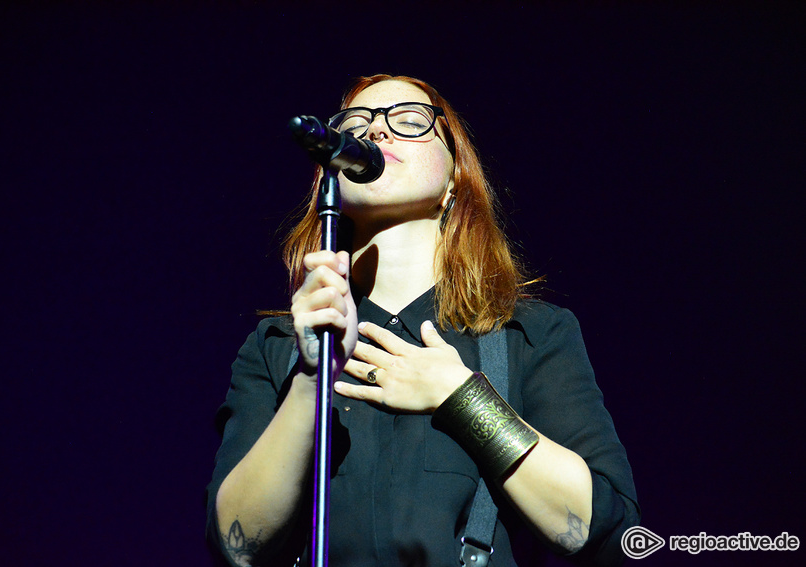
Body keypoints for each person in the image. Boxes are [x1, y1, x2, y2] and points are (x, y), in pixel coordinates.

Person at [206, 74, 639, 567]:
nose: (377, 133)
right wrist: (312, 380)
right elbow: (236, 546)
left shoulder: (532, 335)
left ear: (455, 179)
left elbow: (610, 533)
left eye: (410, 121)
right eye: (357, 125)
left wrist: (462, 398)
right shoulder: (277, 345)